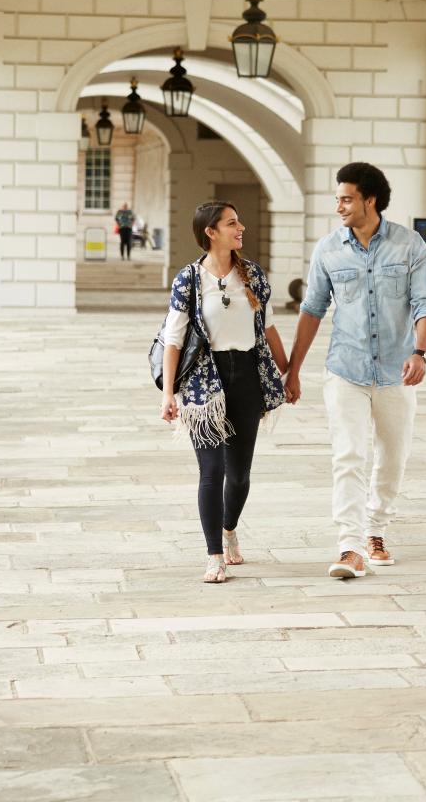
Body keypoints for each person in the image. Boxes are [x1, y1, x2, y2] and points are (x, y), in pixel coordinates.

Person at [285, 162, 426, 579]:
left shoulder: (410, 246)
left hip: (396, 371)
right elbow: (312, 310)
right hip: (345, 369)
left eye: (347, 198)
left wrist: (420, 352)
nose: (339, 206)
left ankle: (376, 529)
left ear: (370, 199)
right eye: (338, 198)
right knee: (348, 454)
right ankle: (349, 546)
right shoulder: (328, 249)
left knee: (392, 457)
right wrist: (293, 370)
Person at [160, 201, 289, 583]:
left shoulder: (252, 275)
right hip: (204, 383)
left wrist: (290, 373)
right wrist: (168, 393)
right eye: (232, 223)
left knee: (240, 475)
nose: (241, 228)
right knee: (211, 471)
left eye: (239, 221)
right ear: (211, 233)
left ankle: (229, 528)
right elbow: (173, 338)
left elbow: (268, 329)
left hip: (247, 376)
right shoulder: (189, 279)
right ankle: (214, 554)